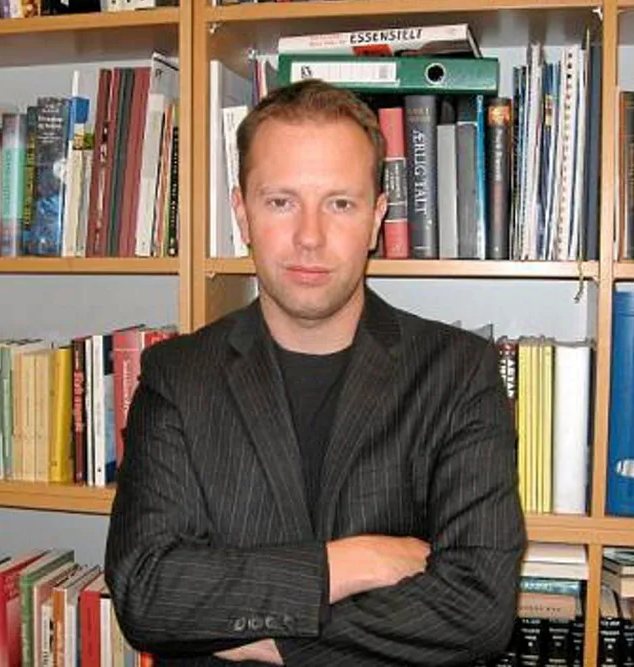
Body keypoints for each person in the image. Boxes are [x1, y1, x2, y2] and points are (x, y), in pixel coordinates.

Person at [104, 79, 526, 666]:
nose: (310, 237)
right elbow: (147, 594)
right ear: (242, 214)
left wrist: (273, 641)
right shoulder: (177, 376)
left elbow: (478, 609)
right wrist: (348, 563)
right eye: (281, 201)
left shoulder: (458, 374)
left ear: (377, 218)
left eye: (340, 203)